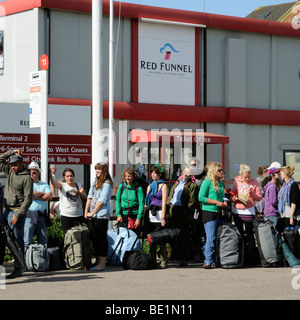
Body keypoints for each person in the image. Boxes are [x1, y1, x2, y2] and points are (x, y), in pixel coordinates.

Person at [0, 149, 33, 279]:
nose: (12, 167)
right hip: (6, 211)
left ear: (21, 163)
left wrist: (18, 215)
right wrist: (10, 152)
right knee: (3, 241)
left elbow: (28, 199)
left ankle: (18, 268)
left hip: (16, 213)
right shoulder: (10, 172)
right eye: (11, 165)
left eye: (15, 165)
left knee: (17, 242)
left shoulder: (26, 178)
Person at [167, 165, 199, 266]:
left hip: (182, 211)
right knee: (171, 234)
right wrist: (168, 207)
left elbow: (192, 202)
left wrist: (185, 212)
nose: (185, 174)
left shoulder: (192, 186)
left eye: (188, 173)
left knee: (183, 236)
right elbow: (170, 196)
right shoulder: (177, 183)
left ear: (191, 175)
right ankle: (171, 256)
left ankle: (184, 258)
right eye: (185, 172)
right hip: (173, 209)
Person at [231, 164, 262, 266]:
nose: (247, 179)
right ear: (241, 175)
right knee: (239, 235)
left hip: (249, 210)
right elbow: (233, 194)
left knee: (250, 235)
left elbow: (259, 198)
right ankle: (241, 257)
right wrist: (233, 199)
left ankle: (251, 258)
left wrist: (252, 193)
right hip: (238, 211)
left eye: (249, 176)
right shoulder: (237, 182)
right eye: (245, 177)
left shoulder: (254, 182)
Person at [85, 162, 113, 271]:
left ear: (104, 171)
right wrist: (86, 210)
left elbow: (102, 201)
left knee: (101, 239)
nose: (97, 171)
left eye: (99, 169)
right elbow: (90, 196)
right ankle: (97, 260)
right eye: (96, 169)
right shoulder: (95, 181)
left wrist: (92, 213)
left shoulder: (107, 183)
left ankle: (102, 263)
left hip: (101, 214)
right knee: (94, 238)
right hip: (92, 214)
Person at [198, 162, 227, 269]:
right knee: (211, 237)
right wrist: (216, 202)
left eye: (222, 170)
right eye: (219, 170)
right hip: (209, 212)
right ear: (213, 171)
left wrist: (225, 202)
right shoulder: (206, 182)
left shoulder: (219, 183)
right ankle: (208, 260)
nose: (222, 172)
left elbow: (223, 196)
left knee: (217, 237)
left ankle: (215, 260)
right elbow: (201, 198)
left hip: (219, 212)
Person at [24, 162, 52, 252]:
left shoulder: (44, 184)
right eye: (30, 172)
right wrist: (42, 193)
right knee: (27, 240)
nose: (31, 174)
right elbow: (30, 194)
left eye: (34, 172)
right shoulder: (26, 184)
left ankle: (41, 261)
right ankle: (25, 262)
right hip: (29, 215)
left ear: (38, 173)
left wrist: (35, 196)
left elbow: (49, 196)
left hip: (41, 215)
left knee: (43, 240)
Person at [143, 165, 168, 268]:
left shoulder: (164, 186)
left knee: (160, 238)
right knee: (151, 238)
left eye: (155, 173)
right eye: (152, 173)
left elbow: (164, 202)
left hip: (159, 213)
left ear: (160, 174)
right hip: (150, 213)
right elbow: (146, 201)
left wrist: (163, 217)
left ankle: (163, 261)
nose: (153, 175)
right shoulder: (150, 186)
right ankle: (153, 261)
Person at [49, 168, 87, 233]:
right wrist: (50, 175)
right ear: (64, 177)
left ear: (74, 176)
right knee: (68, 236)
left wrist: (80, 192)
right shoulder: (62, 185)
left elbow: (85, 197)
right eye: (67, 176)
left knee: (79, 236)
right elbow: (55, 184)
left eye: (71, 176)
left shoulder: (79, 185)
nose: (70, 178)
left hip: (78, 215)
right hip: (66, 215)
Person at [116, 168, 145, 232]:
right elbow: (118, 201)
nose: (127, 178)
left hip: (134, 215)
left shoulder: (138, 188)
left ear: (133, 177)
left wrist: (138, 218)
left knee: (134, 237)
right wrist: (119, 214)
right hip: (123, 216)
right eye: (126, 176)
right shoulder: (121, 187)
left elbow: (141, 204)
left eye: (129, 176)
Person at [277, 166, 300, 232]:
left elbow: (293, 202)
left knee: (290, 235)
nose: (279, 175)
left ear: (285, 174)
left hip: (290, 213)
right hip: (284, 213)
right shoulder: (284, 185)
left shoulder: (293, 185)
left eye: (281, 173)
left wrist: (291, 217)